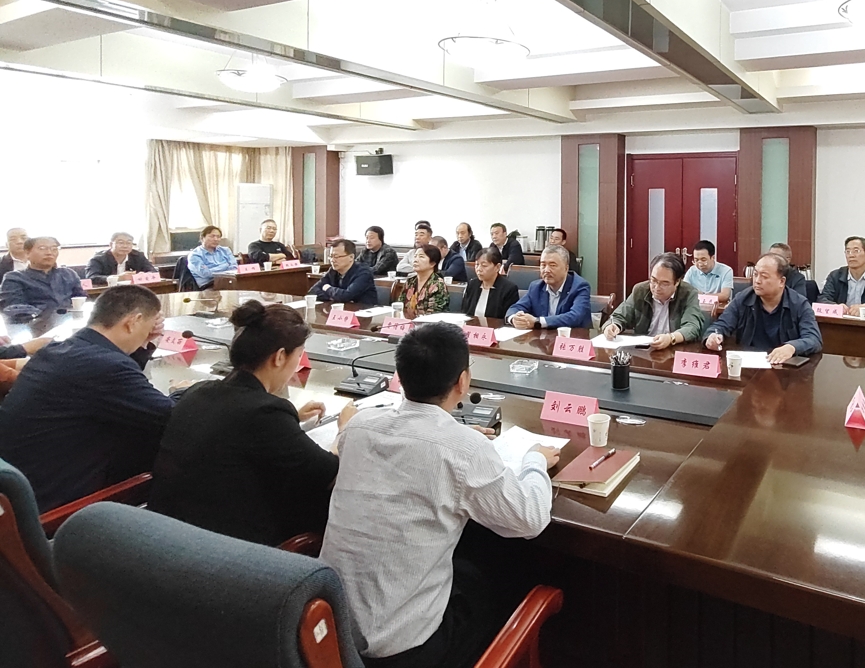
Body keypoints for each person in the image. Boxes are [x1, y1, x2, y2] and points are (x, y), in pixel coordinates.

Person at [320, 323, 559, 668]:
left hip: (332, 633)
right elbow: (531, 519)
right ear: (463, 381)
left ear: (400, 377)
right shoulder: (465, 449)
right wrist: (535, 461)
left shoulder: (358, 426)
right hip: (404, 651)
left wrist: (459, 437)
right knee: (498, 579)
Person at [149, 301, 355, 546]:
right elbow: (329, 472)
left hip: (163, 532)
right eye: (298, 356)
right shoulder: (265, 413)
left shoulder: (198, 392)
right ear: (280, 357)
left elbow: (236, 428)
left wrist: (291, 418)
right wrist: (345, 430)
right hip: (223, 548)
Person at [0, 286, 173, 511]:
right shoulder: (106, 367)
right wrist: (188, 391)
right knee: (173, 446)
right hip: (52, 504)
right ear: (133, 321)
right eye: (148, 326)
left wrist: (143, 344)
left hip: (21, 486)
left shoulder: (57, 350)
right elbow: (172, 416)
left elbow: (113, 386)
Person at [704, 254, 822, 365]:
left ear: (781, 281)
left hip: (783, 367)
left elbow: (813, 339)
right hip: (749, 366)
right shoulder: (743, 299)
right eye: (755, 274)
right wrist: (713, 336)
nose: (757, 280)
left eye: (764, 276)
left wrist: (792, 347)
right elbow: (721, 325)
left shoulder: (799, 304)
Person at [603, 253, 706, 350]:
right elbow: (619, 316)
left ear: (677, 282)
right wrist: (612, 326)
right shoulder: (640, 290)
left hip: (674, 349)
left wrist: (671, 338)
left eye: (664, 283)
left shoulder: (688, 293)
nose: (657, 287)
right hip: (644, 350)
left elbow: (692, 326)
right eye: (653, 280)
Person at [505, 245, 591, 330]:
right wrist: (514, 319)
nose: (546, 270)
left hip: (573, 336)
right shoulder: (536, 287)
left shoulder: (579, 286)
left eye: (552, 265)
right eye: (543, 265)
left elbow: (575, 317)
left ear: (566, 268)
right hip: (543, 337)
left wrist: (537, 322)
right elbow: (515, 308)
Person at [0, 236, 85, 316]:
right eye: (42, 248)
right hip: (32, 323)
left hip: (69, 320)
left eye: (54, 249)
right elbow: (13, 308)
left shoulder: (68, 274)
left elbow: (81, 299)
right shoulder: (14, 278)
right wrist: (46, 314)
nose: (49, 253)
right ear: (27, 253)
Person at [819, 236, 865, 315]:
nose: (851, 255)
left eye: (856, 251)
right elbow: (823, 299)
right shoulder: (835, 276)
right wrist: (835, 307)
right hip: (841, 320)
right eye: (848, 251)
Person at [312, 239, 378, 307]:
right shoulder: (333, 271)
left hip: (362, 311)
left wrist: (327, 288)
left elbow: (346, 296)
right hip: (341, 310)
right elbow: (312, 292)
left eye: (336, 256)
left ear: (351, 257)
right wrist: (332, 297)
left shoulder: (364, 273)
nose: (332, 260)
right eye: (331, 256)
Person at [462, 248, 519, 320]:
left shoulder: (509, 289)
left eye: (484, 265)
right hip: (471, 326)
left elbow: (507, 318)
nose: (479, 269)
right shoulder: (472, 284)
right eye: (477, 264)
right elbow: (464, 312)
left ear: (497, 267)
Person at [85, 232, 159, 284]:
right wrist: (118, 278)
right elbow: (91, 278)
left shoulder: (138, 256)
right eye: (121, 243)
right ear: (111, 244)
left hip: (134, 291)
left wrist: (145, 275)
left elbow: (154, 272)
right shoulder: (98, 259)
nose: (125, 246)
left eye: (129, 243)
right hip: (107, 293)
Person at [402, 245, 450, 318]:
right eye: (415, 256)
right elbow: (400, 305)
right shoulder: (410, 281)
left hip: (430, 323)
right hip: (406, 322)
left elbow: (434, 315)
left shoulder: (437, 284)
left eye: (421, 257)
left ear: (432, 263)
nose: (415, 260)